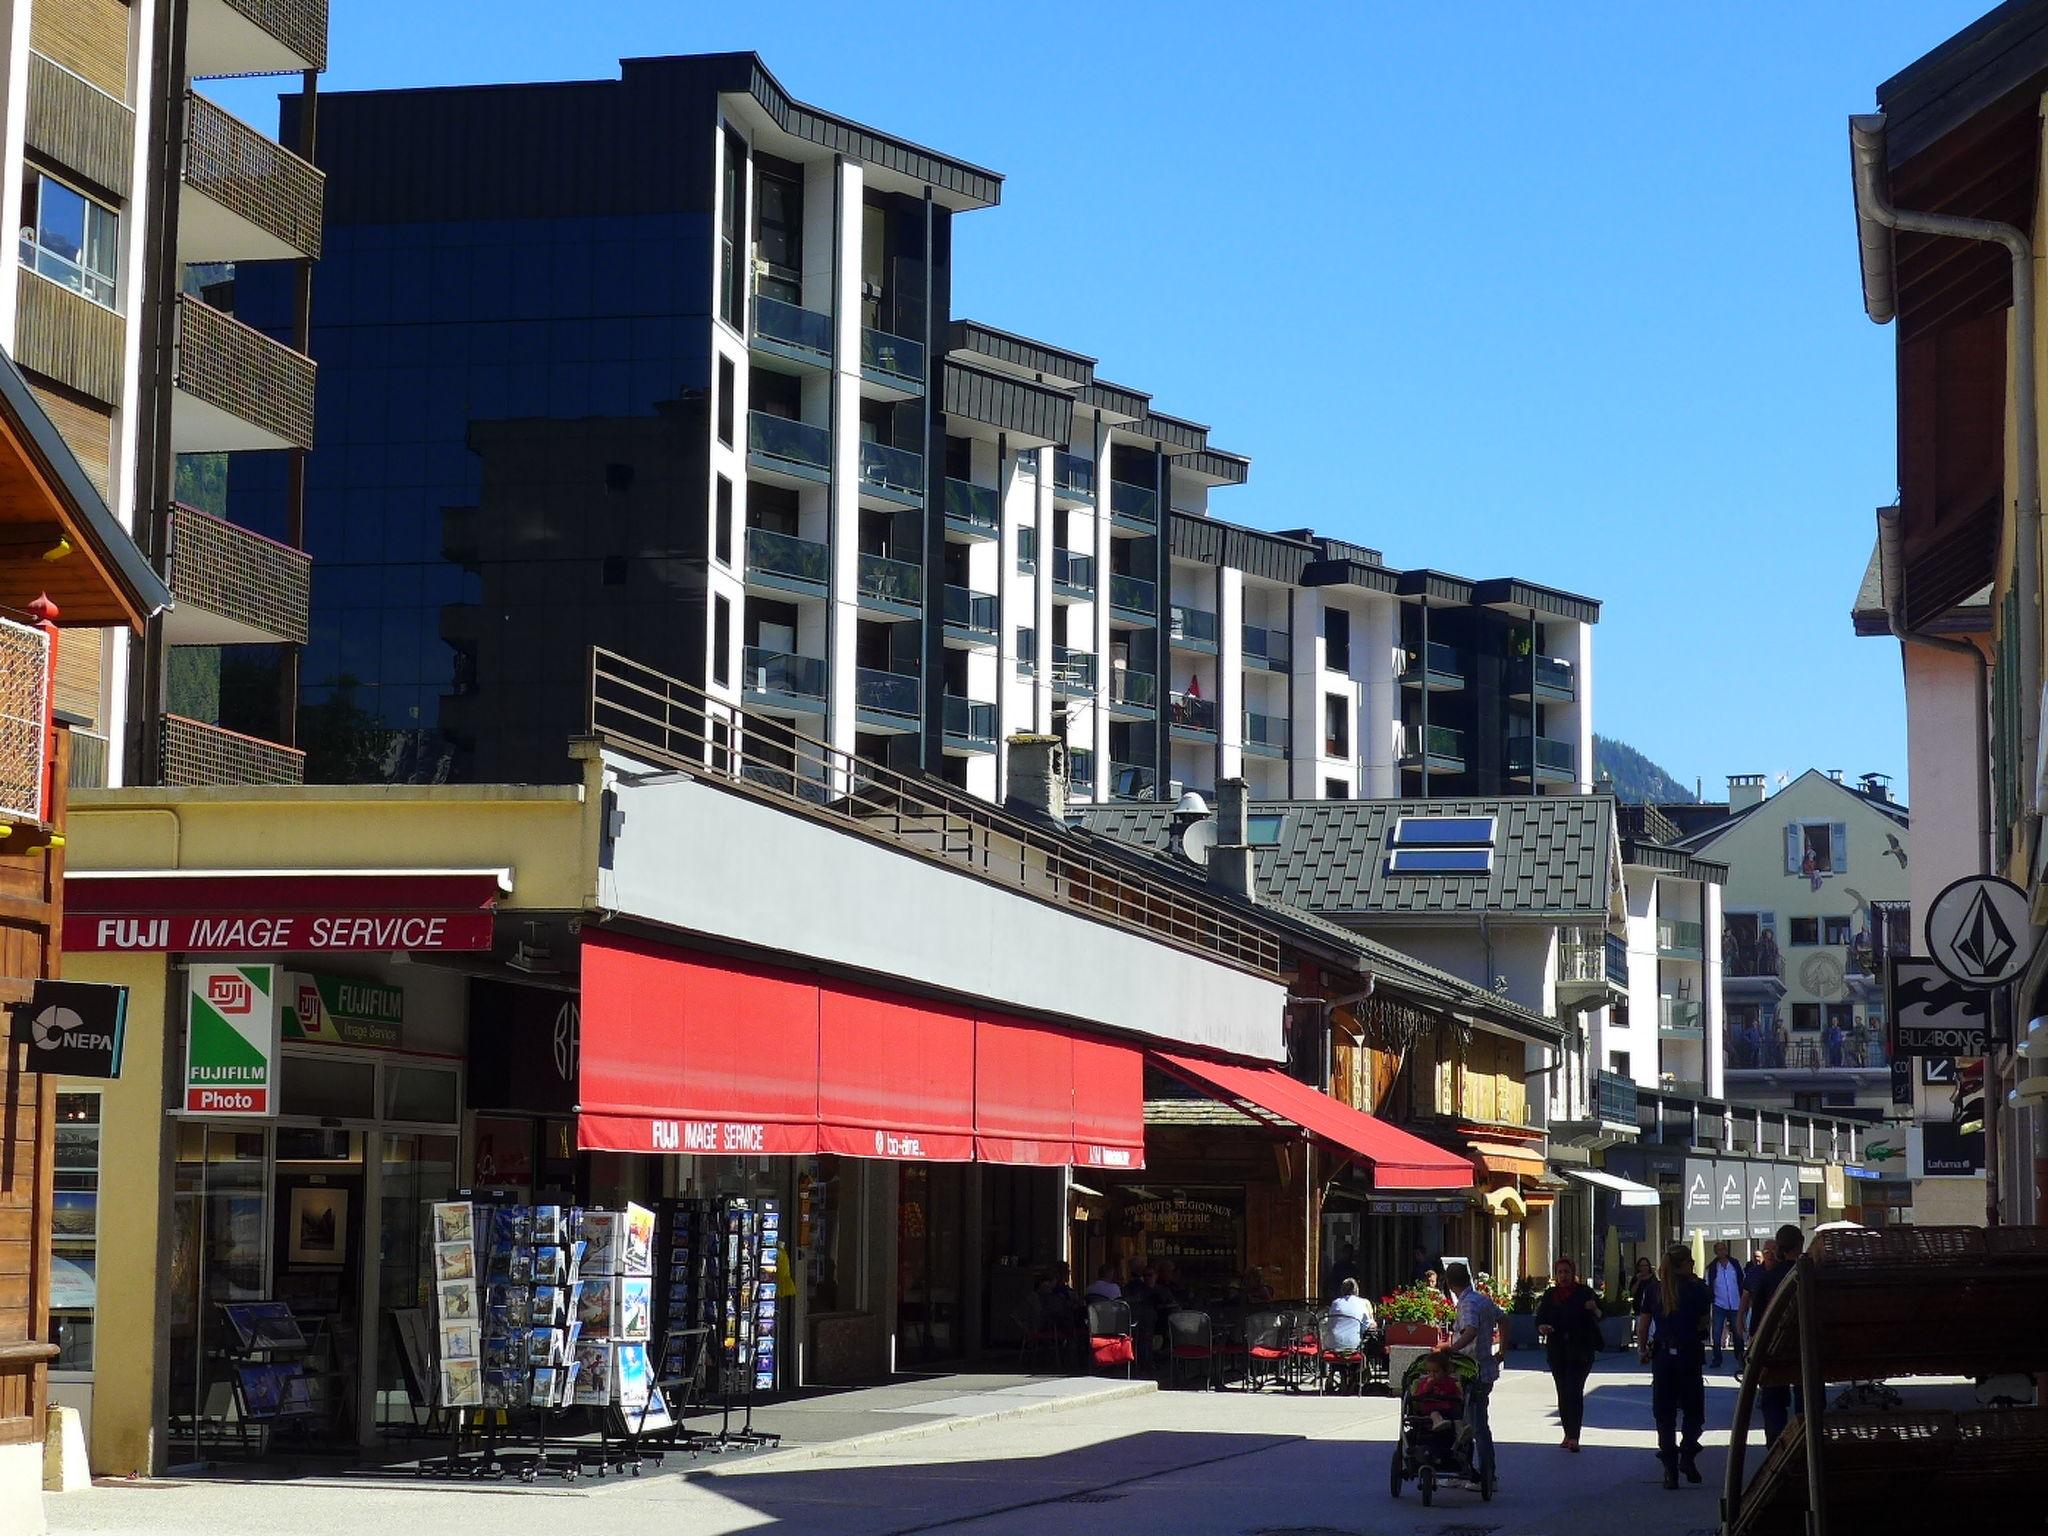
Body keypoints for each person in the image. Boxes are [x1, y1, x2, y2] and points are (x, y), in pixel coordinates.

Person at [1636, 1244, 1712, 1490]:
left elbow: (1644, 1323)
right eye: (1690, 1261)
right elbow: (1703, 1323)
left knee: (1664, 1412)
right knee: (1693, 1409)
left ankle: (1670, 1468)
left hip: (1663, 1356)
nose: (1693, 1265)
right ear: (1684, 1264)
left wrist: (1642, 1349)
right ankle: (1688, 1454)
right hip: (1689, 1353)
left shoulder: (1654, 1290)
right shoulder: (1698, 1289)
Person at [1744, 1224, 1805, 1444]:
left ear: (1779, 1246)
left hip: (1775, 1349)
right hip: (1805, 1349)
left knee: (1774, 1403)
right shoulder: (1809, 1275)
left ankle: (1776, 1448)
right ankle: (1805, 1441)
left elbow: (1757, 1320)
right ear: (1801, 1243)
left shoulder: (1770, 1278)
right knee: (1807, 1400)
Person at [1534, 1258, 1603, 1451]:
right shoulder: (1550, 1295)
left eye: (1566, 1272)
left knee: (1574, 1390)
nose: (1563, 1276)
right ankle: (1567, 1433)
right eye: (1559, 1272)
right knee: (1563, 1392)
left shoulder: (1584, 1293)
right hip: (1557, 1350)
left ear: (1573, 1273)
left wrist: (1594, 1308)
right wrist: (1542, 1327)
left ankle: (1574, 1436)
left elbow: (1602, 1314)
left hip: (1581, 1350)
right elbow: (1540, 1319)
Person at [1446, 1262, 1503, 1482]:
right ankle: (1466, 1470)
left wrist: (1451, 1350)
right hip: (1486, 1369)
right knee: (1471, 1422)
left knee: (1476, 1425)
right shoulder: (1482, 1299)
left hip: (1472, 1371)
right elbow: (1504, 1318)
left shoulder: (1467, 1304)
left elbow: (1470, 1331)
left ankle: (1487, 1476)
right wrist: (1503, 1351)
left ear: (1450, 1284)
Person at [1409, 1348, 1466, 1453]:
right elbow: (1418, 1396)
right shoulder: (1424, 1382)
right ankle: (1439, 1423)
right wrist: (1428, 1387)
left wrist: (1459, 1395)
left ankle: (1460, 1431)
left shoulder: (1450, 1382)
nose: (1432, 1375)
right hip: (1430, 1409)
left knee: (1456, 1413)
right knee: (1435, 1413)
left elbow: (1457, 1396)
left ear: (1445, 1371)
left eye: (1436, 1371)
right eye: (1429, 1372)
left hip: (1447, 1409)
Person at [1705, 1240, 1745, 1369]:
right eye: (1719, 1250)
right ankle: (1717, 1358)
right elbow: (1708, 1284)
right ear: (1716, 1252)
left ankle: (1740, 1357)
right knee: (1716, 1333)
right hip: (1719, 1303)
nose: (1722, 1252)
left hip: (1735, 1302)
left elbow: (1742, 1281)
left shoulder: (1735, 1264)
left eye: (1724, 1249)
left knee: (1738, 1332)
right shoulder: (1712, 1267)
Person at [1326, 1276, 1375, 1352]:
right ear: (1356, 1290)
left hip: (1333, 1346)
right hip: (1355, 1347)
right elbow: (1367, 1326)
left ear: (1342, 1290)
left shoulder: (1335, 1303)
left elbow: (1330, 1323)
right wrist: (1373, 1323)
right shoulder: (1362, 1303)